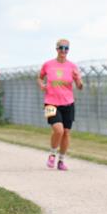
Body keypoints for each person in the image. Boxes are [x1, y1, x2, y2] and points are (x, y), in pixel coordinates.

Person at [38, 39, 84, 171]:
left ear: (68, 50)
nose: (63, 51)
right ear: (56, 49)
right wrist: (41, 85)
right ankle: (52, 154)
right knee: (58, 130)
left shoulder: (72, 67)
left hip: (68, 103)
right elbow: (40, 77)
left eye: (66, 48)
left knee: (66, 133)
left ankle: (61, 161)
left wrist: (79, 79)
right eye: (61, 48)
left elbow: (80, 86)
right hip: (50, 103)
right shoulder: (48, 65)